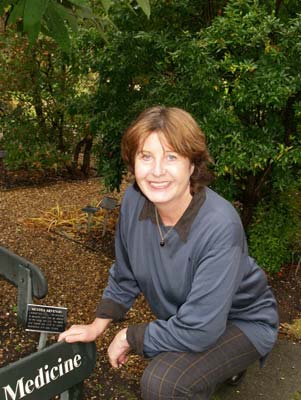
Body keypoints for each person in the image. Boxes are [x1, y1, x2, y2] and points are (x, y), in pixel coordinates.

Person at [59, 106, 278, 399]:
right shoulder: (134, 202)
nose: (157, 171)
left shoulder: (219, 224)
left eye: (172, 156)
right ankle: (216, 368)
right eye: (146, 156)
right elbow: (125, 274)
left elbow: (200, 329)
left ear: (192, 165)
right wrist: (96, 326)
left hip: (241, 320)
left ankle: (229, 361)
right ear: (133, 163)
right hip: (195, 319)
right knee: (182, 365)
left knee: (164, 382)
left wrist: (130, 337)